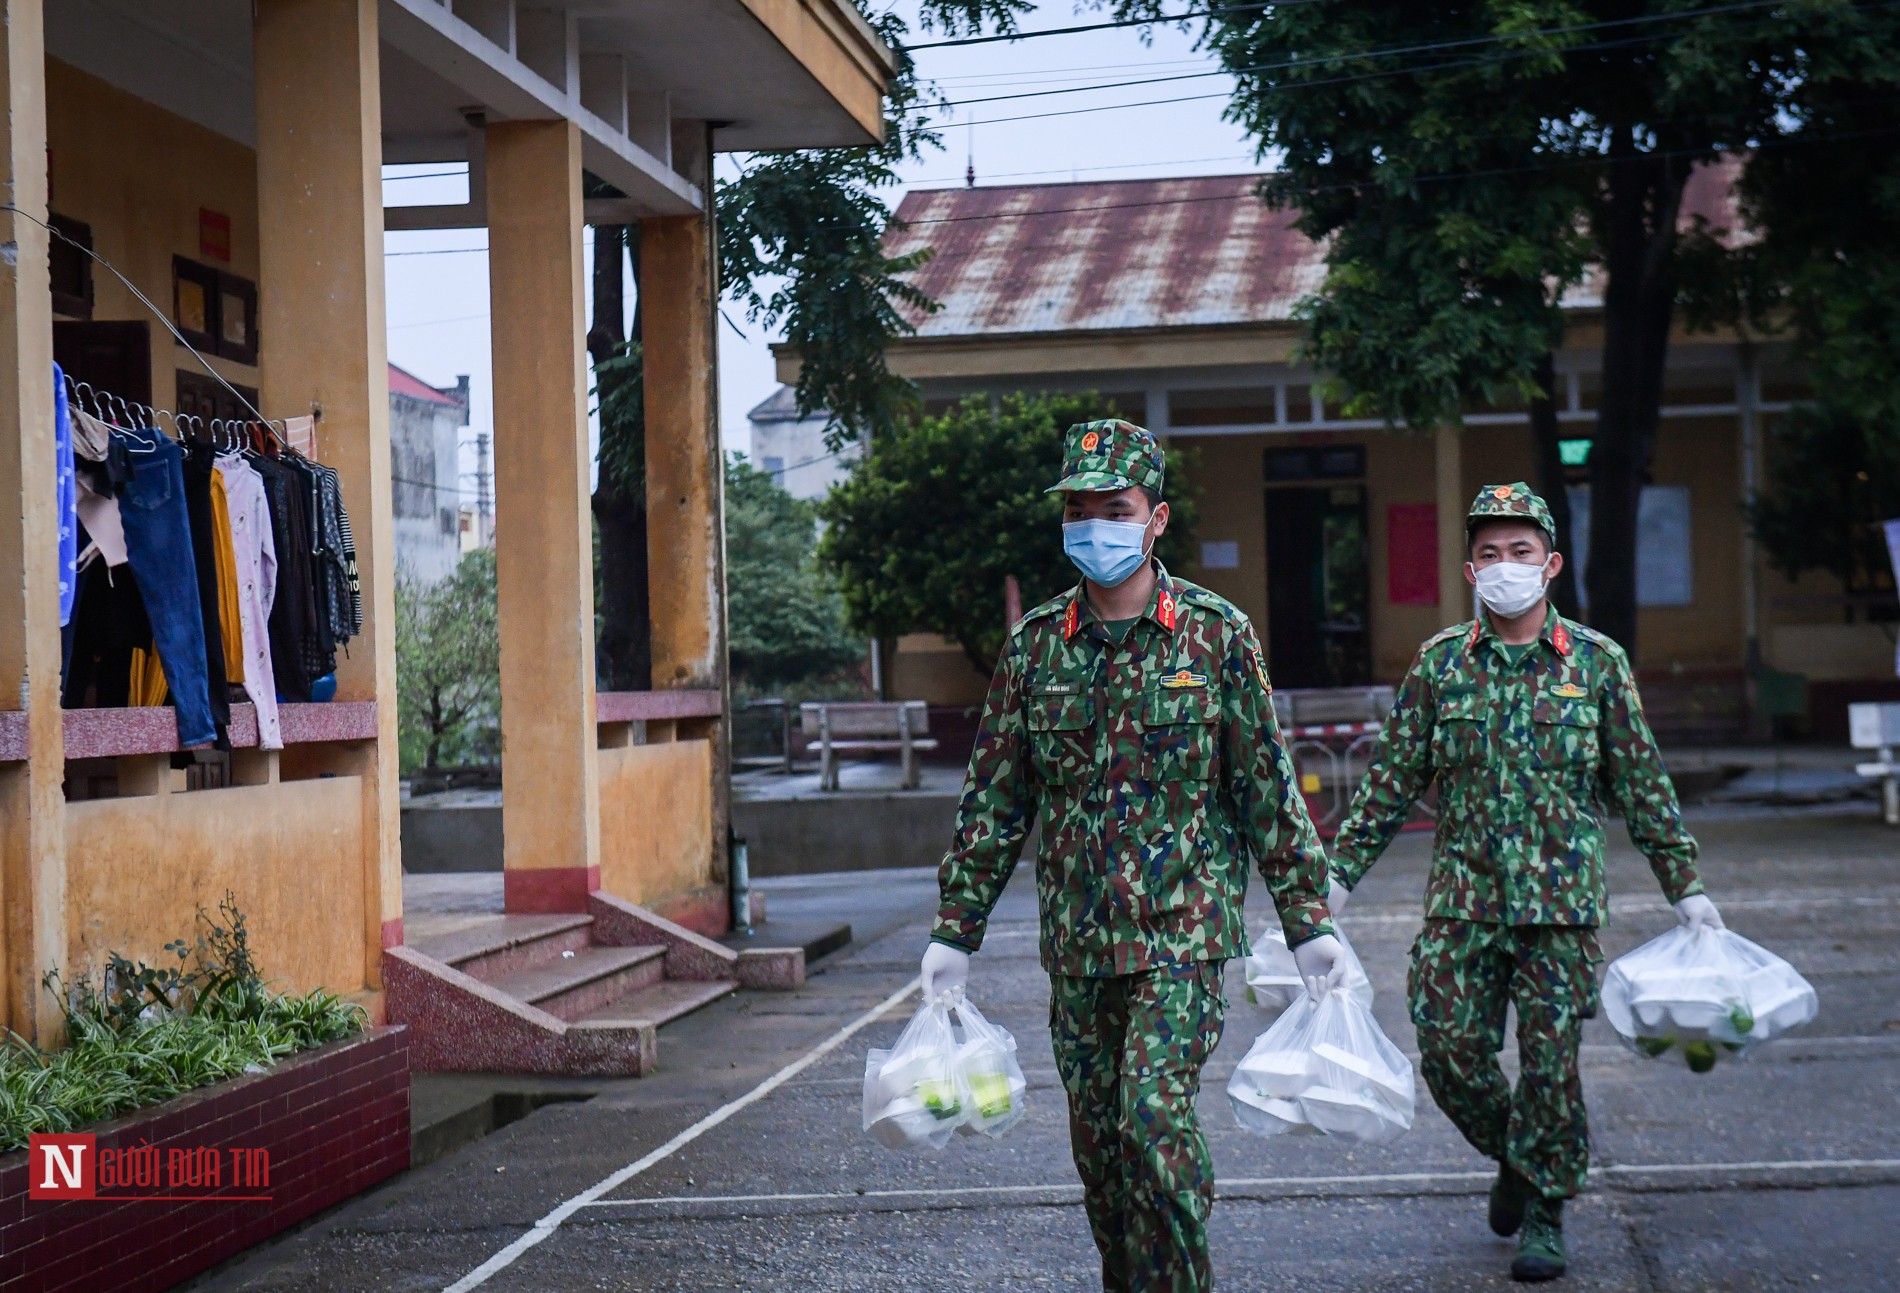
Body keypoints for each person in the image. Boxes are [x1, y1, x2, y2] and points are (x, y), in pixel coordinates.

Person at [919, 419, 1344, 1293]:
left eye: (1115, 508)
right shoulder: (1038, 648)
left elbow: (1265, 782)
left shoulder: (1216, 638)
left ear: (1156, 519)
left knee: (1154, 1124)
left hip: (1183, 935)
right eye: (1079, 509)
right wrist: (953, 931)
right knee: (1104, 1158)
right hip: (1078, 944)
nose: (1094, 526)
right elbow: (996, 799)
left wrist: (1309, 922)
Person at [1329, 482, 1723, 1283]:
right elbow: (1389, 783)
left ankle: (1544, 1206)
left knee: (1550, 1067)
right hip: (1463, 906)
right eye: (1489, 553)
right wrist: (1333, 884)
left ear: (1551, 564)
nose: (1505, 565)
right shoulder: (1441, 665)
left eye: (1520, 552)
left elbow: (1642, 782)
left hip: (1560, 910)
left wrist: (1688, 888)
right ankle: (1520, 1156)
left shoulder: (1598, 665)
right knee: (1446, 1053)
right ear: (1470, 571)